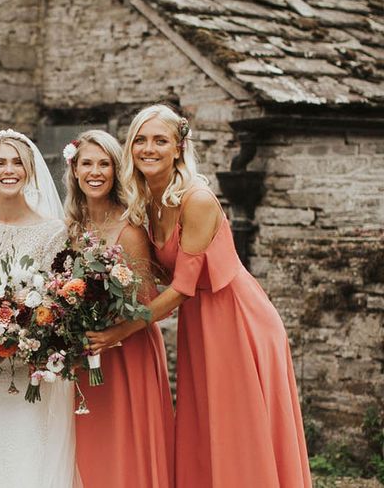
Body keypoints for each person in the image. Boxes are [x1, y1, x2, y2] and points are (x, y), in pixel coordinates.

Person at [87, 105, 312, 488]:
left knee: (238, 427)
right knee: (206, 424)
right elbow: (156, 270)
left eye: (160, 140)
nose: (148, 148)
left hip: (235, 316)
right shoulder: (146, 203)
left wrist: (121, 331)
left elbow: (181, 289)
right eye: (140, 140)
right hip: (199, 320)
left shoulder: (198, 200)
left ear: (179, 147)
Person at [0, 129, 80, 488]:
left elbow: (59, 304)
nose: (10, 170)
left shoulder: (53, 231)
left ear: (30, 170)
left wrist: (30, 342)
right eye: (0, 162)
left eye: (18, 162)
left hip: (30, 373)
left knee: (29, 457)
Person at [63, 130, 174, 488]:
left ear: (115, 170)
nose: (95, 172)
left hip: (128, 351)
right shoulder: (70, 229)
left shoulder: (130, 229)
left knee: (125, 447)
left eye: (104, 164)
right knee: (89, 448)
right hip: (87, 352)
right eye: (87, 164)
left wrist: (112, 330)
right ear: (75, 171)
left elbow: (147, 302)